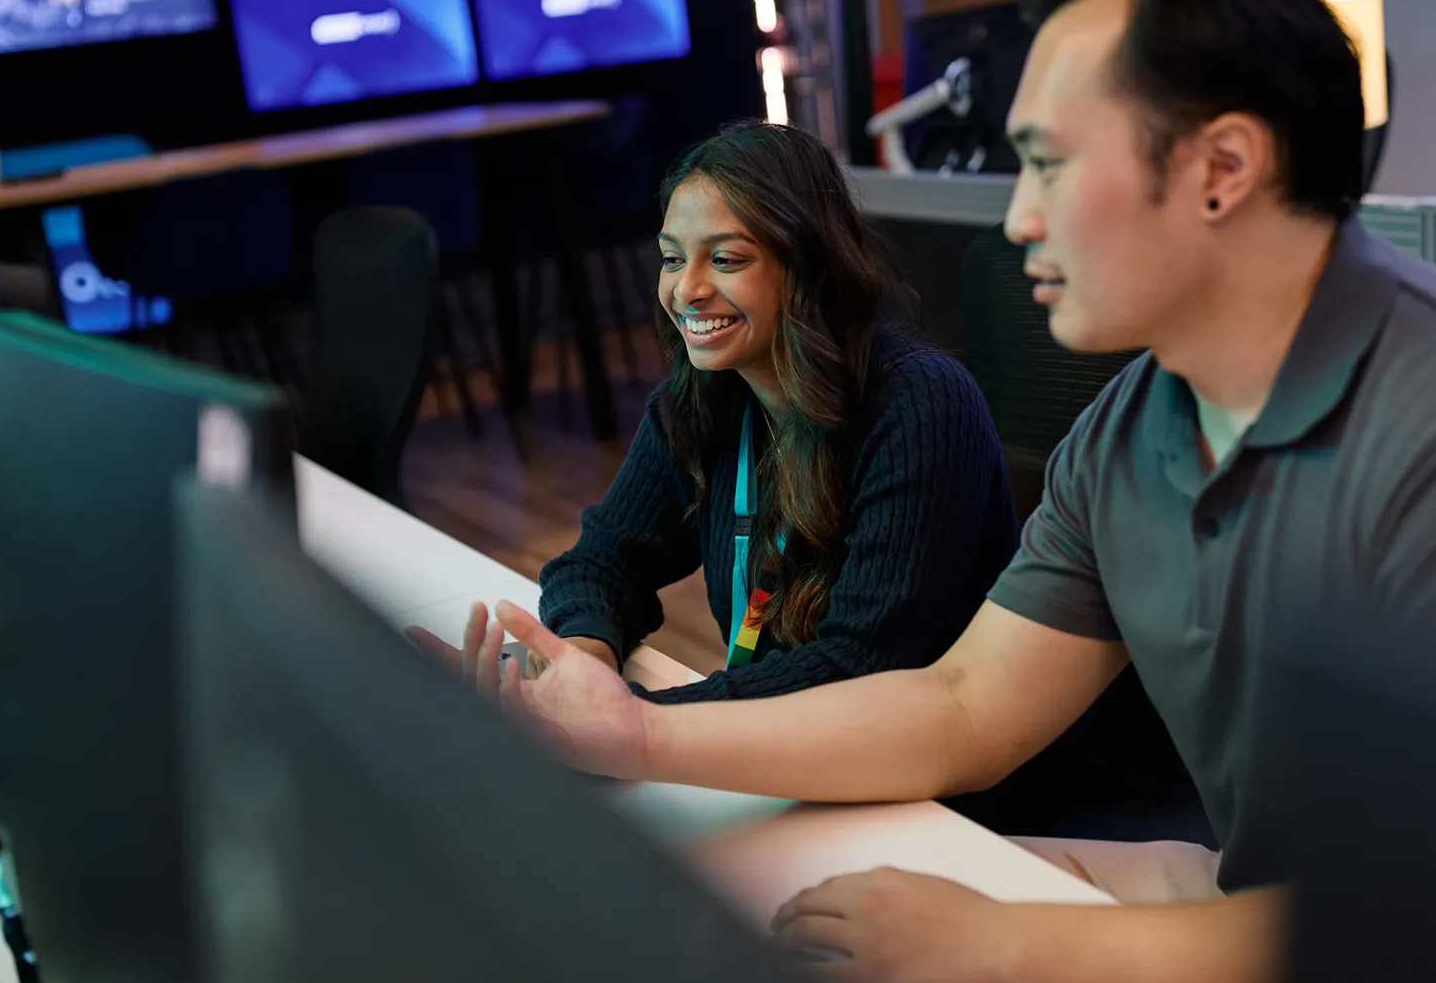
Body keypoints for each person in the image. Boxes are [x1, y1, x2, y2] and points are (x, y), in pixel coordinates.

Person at [473, 0, 1436, 983]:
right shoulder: (1135, 426)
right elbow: (962, 706)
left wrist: (1006, 938)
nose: (1014, 220)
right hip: (1280, 906)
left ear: (1221, 167)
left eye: (1048, 164)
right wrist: (631, 732)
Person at [422, 119, 1020, 705]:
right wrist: (582, 663)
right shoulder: (706, 400)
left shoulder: (919, 404)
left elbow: (864, 666)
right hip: (794, 753)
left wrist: (630, 722)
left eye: (726, 260)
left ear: (810, 266)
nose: (686, 291)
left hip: (945, 793)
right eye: (673, 259)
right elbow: (602, 560)